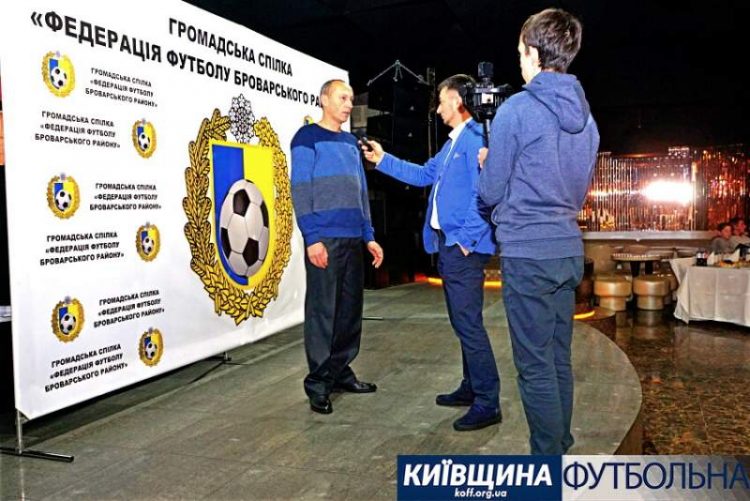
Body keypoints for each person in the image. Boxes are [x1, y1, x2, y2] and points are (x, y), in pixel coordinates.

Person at [478, 8, 599, 454]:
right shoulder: (587, 118)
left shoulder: (517, 110)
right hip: (567, 248)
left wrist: (489, 164)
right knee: (556, 357)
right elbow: (575, 187)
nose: (519, 62)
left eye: (520, 53)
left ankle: (546, 461)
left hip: (529, 253)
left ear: (533, 51)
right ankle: (560, 443)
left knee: (534, 367)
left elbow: (490, 192)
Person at [362, 75, 501, 432]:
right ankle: (472, 387)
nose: (437, 109)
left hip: (462, 248)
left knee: (468, 325)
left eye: (441, 101)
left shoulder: (476, 139)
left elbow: (484, 195)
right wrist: (383, 159)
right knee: (464, 323)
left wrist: (465, 240)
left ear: (457, 101)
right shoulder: (454, 143)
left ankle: (488, 402)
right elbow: (424, 174)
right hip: (451, 245)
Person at [290, 79, 384, 415]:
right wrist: (312, 238)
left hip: (352, 238)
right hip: (325, 240)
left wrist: (369, 236)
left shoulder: (350, 143)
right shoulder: (306, 138)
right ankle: (318, 383)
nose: (348, 104)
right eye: (342, 98)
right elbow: (300, 189)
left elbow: (360, 192)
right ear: (324, 99)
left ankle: (341, 371)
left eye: (351, 98)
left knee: (348, 311)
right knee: (323, 313)